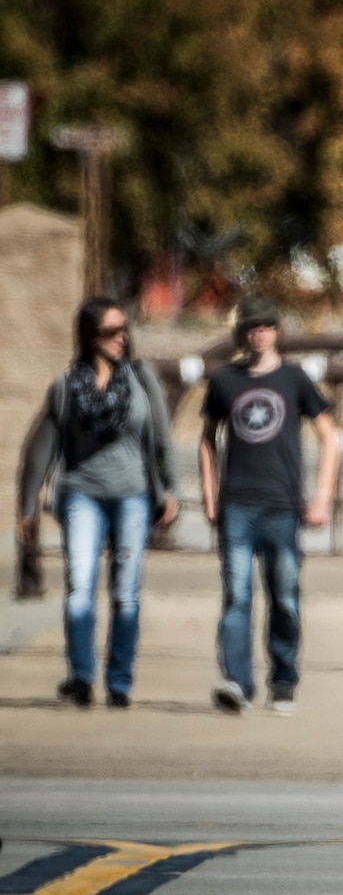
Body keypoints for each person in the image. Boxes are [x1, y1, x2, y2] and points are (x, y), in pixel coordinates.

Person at [16, 298, 180, 708]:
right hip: (82, 494)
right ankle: (81, 676)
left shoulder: (142, 378)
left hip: (133, 497)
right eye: (111, 331)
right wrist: (28, 505)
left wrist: (171, 489)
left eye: (125, 329)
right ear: (90, 336)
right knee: (79, 589)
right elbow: (42, 447)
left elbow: (161, 437)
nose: (121, 338)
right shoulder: (67, 384)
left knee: (125, 593)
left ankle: (120, 681)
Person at [198, 298, 340, 716]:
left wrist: (322, 497)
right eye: (252, 326)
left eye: (266, 326)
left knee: (285, 598)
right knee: (236, 598)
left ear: (277, 330)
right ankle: (237, 682)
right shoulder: (225, 381)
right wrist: (210, 494)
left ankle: (283, 680)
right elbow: (207, 439)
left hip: (282, 507)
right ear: (241, 332)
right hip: (237, 506)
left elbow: (330, 436)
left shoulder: (294, 379)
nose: (259, 333)